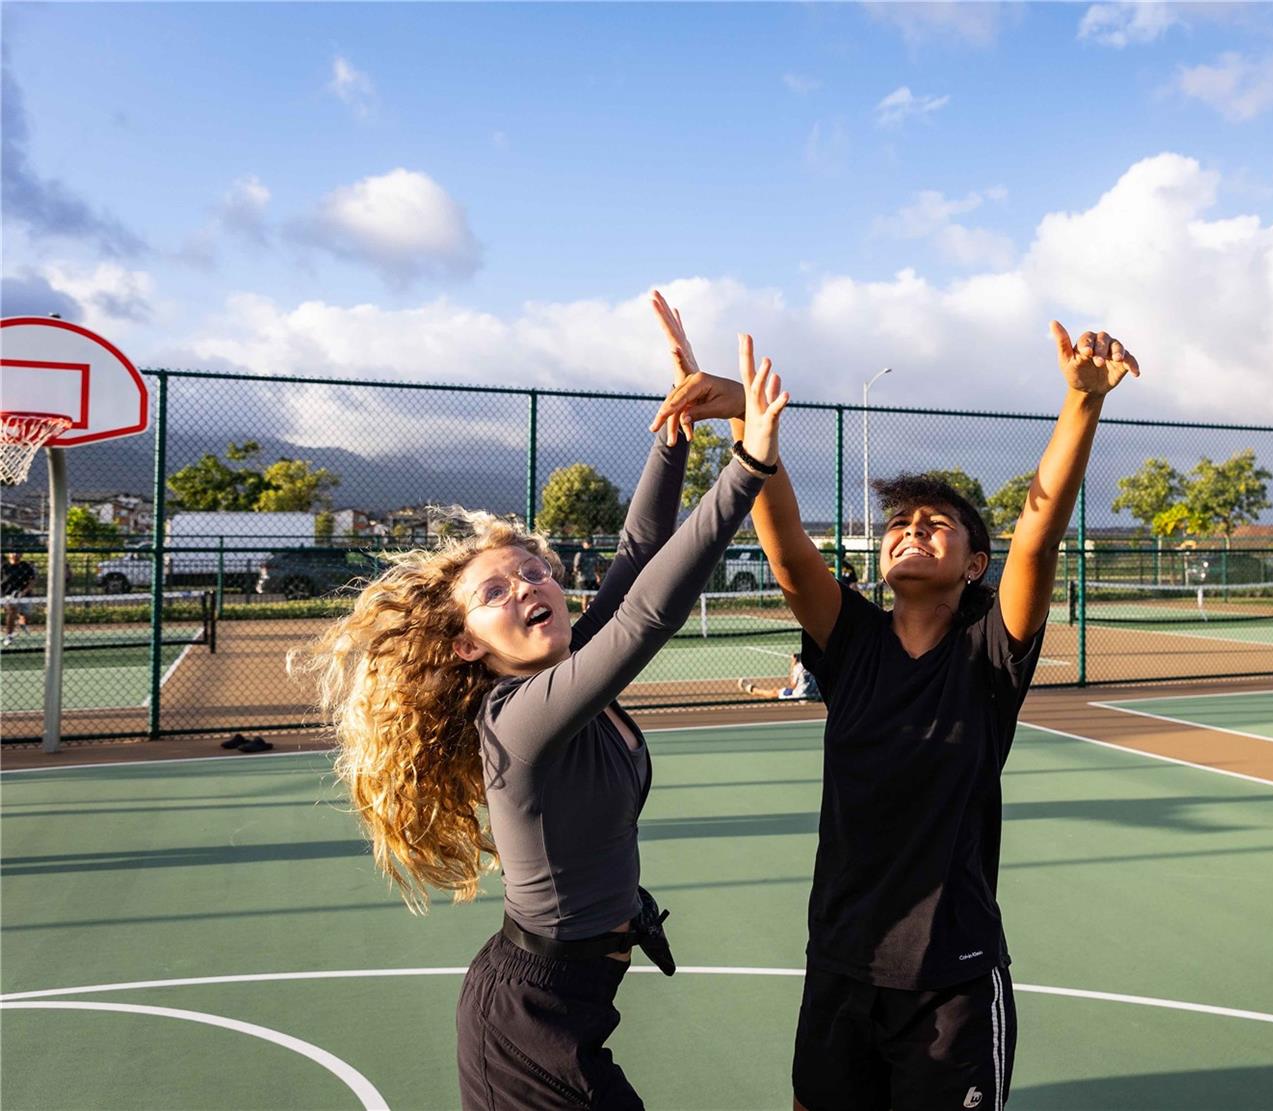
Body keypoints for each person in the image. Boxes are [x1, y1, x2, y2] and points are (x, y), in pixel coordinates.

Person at [301, 291, 788, 1110]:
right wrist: (747, 466)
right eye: (495, 590)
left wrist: (676, 426)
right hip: (528, 1024)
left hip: (570, 1004)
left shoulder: (564, 671)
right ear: (466, 644)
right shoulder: (516, 719)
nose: (529, 585)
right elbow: (645, 615)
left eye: (534, 571)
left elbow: (638, 552)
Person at [657, 318, 1138, 1111]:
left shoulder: (988, 654)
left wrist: (1081, 401)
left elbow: (1038, 536)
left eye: (934, 524)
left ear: (974, 564)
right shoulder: (852, 641)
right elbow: (787, 551)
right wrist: (749, 420)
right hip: (842, 959)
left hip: (950, 976)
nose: (911, 530)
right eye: (899, 525)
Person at [738, 653, 820, 701]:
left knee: (775, 692)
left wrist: (792, 665)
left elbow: (793, 685)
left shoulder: (798, 667)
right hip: (815, 695)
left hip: (800, 696)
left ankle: (752, 689)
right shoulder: (816, 664)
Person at [2, 550, 37, 647]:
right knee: (11, 611)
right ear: (9, 554)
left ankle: (21, 622)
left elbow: (32, 581)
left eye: (18, 553)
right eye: (12, 552)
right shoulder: (4, 567)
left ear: (21, 555)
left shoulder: (26, 567)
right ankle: (9, 636)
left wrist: (23, 592)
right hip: (8, 595)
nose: (15, 554)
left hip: (25, 595)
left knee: (26, 615)